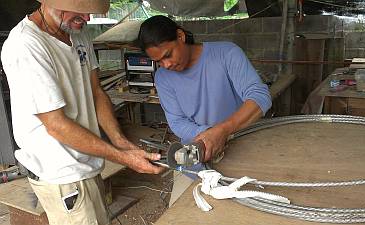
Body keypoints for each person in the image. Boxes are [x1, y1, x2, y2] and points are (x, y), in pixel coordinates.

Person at [1, 0, 163, 224]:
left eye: (89, 13)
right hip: (61, 175)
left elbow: (96, 92)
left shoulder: (78, 33)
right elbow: (56, 125)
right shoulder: (25, 45)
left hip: (86, 164)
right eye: (80, 14)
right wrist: (123, 157)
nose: (87, 20)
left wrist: (120, 141)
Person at [138, 15, 272, 162]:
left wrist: (223, 131)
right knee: (192, 178)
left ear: (180, 36)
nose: (167, 65)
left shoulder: (226, 53)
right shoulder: (162, 77)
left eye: (168, 55)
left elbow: (259, 97)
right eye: (159, 62)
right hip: (199, 154)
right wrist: (208, 135)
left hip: (241, 147)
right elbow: (177, 121)